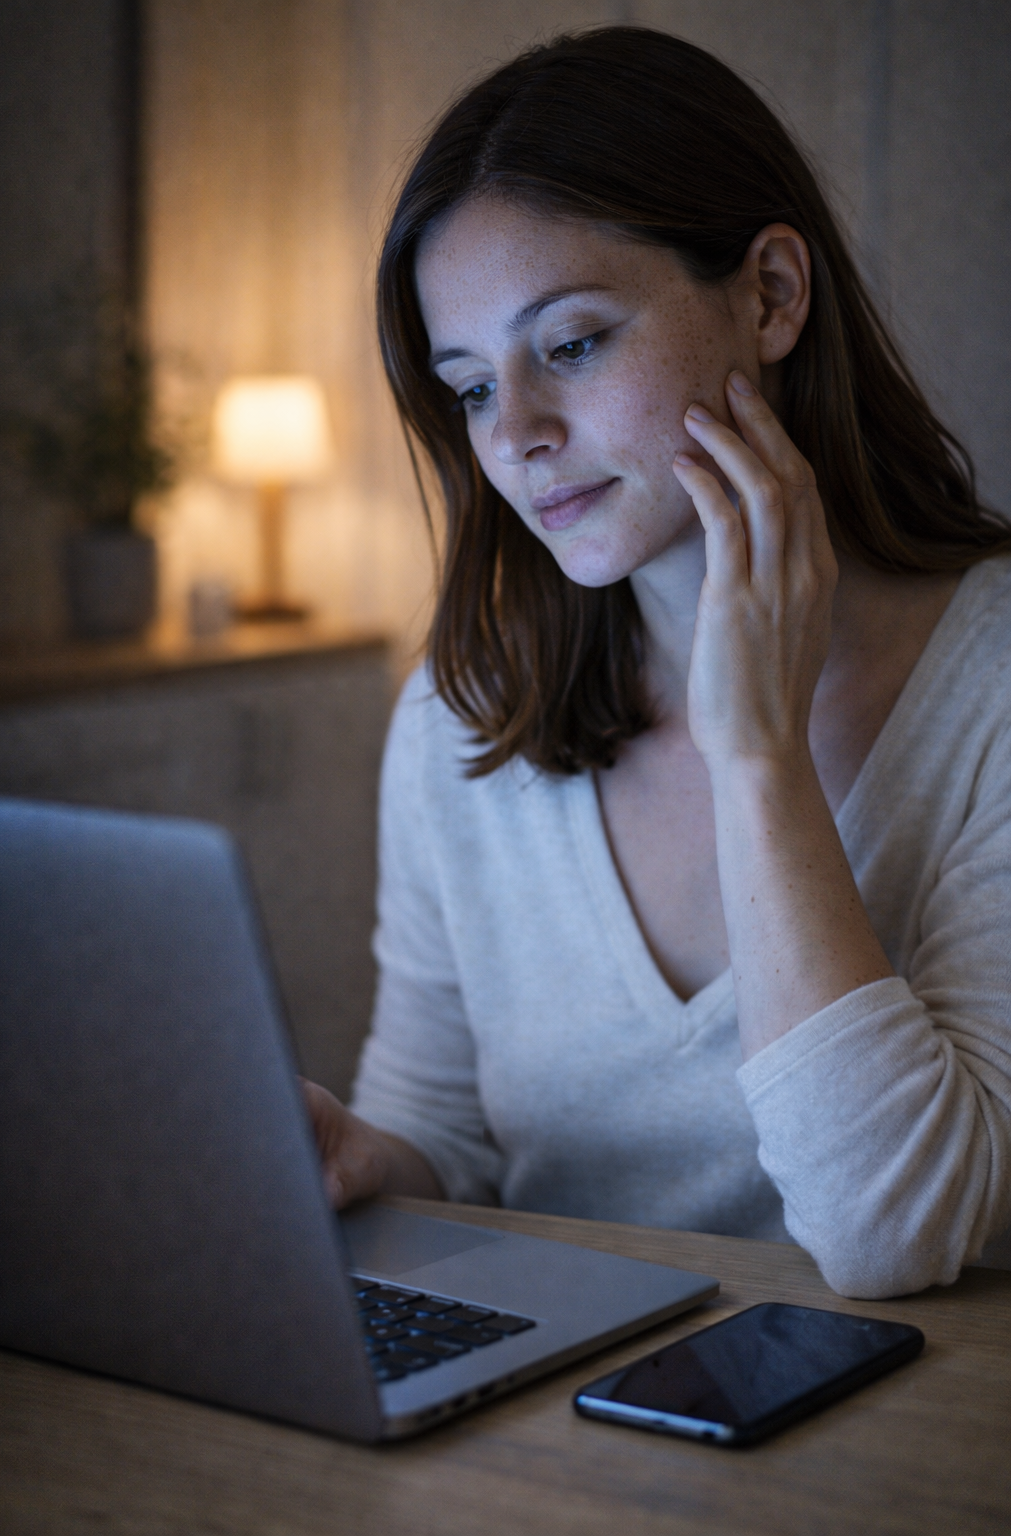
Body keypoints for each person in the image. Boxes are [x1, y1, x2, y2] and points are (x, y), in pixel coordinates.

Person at [302, 27, 1011, 1299]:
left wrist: (757, 755)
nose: (512, 436)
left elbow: (900, 1230)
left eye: (569, 346)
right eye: (468, 387)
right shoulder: (465, 710)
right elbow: (445, 1140)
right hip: (546, 1458)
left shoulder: (993, 688)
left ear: (772, 296)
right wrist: (358, 1159)